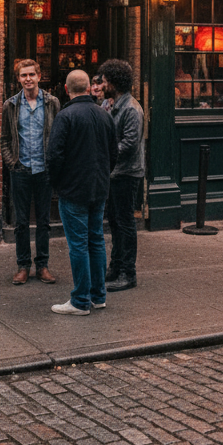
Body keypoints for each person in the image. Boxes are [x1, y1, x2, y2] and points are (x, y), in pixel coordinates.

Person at [47, 70, 116, 314]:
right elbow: (113, 153)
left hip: (73, 190)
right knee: (96, 240)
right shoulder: (104, 115)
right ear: (88, 88)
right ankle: (98, 296)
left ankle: (80, 300)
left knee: (78, 244)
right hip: (99, 188)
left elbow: (54, 155)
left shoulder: (65, 116)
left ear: (66, 89)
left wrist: (57, 183)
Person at [2, 58, 61, 286]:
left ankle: (43, 266)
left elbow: (58, 135)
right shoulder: (11, 105)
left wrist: (54, 163)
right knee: (21, 222)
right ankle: (23, 266)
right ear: (18, 79)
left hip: (44, 169)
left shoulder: (52, 103)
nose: (28, 79)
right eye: (23, 75)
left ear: (39, 76)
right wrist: (12, 162)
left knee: (44, 221)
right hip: (22, 169)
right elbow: (5, 138)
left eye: (31, 75)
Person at [100, 59, 144, 292]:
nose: (102, 83)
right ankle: (115, 267)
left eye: (106, 80)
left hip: (127, 174)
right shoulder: (111, 104)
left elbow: (129, 143)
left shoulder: (131, 109)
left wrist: (104, 152)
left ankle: (128, 272)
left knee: (125, 223)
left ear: (115, 82)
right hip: (114, 173)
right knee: (115, 222)